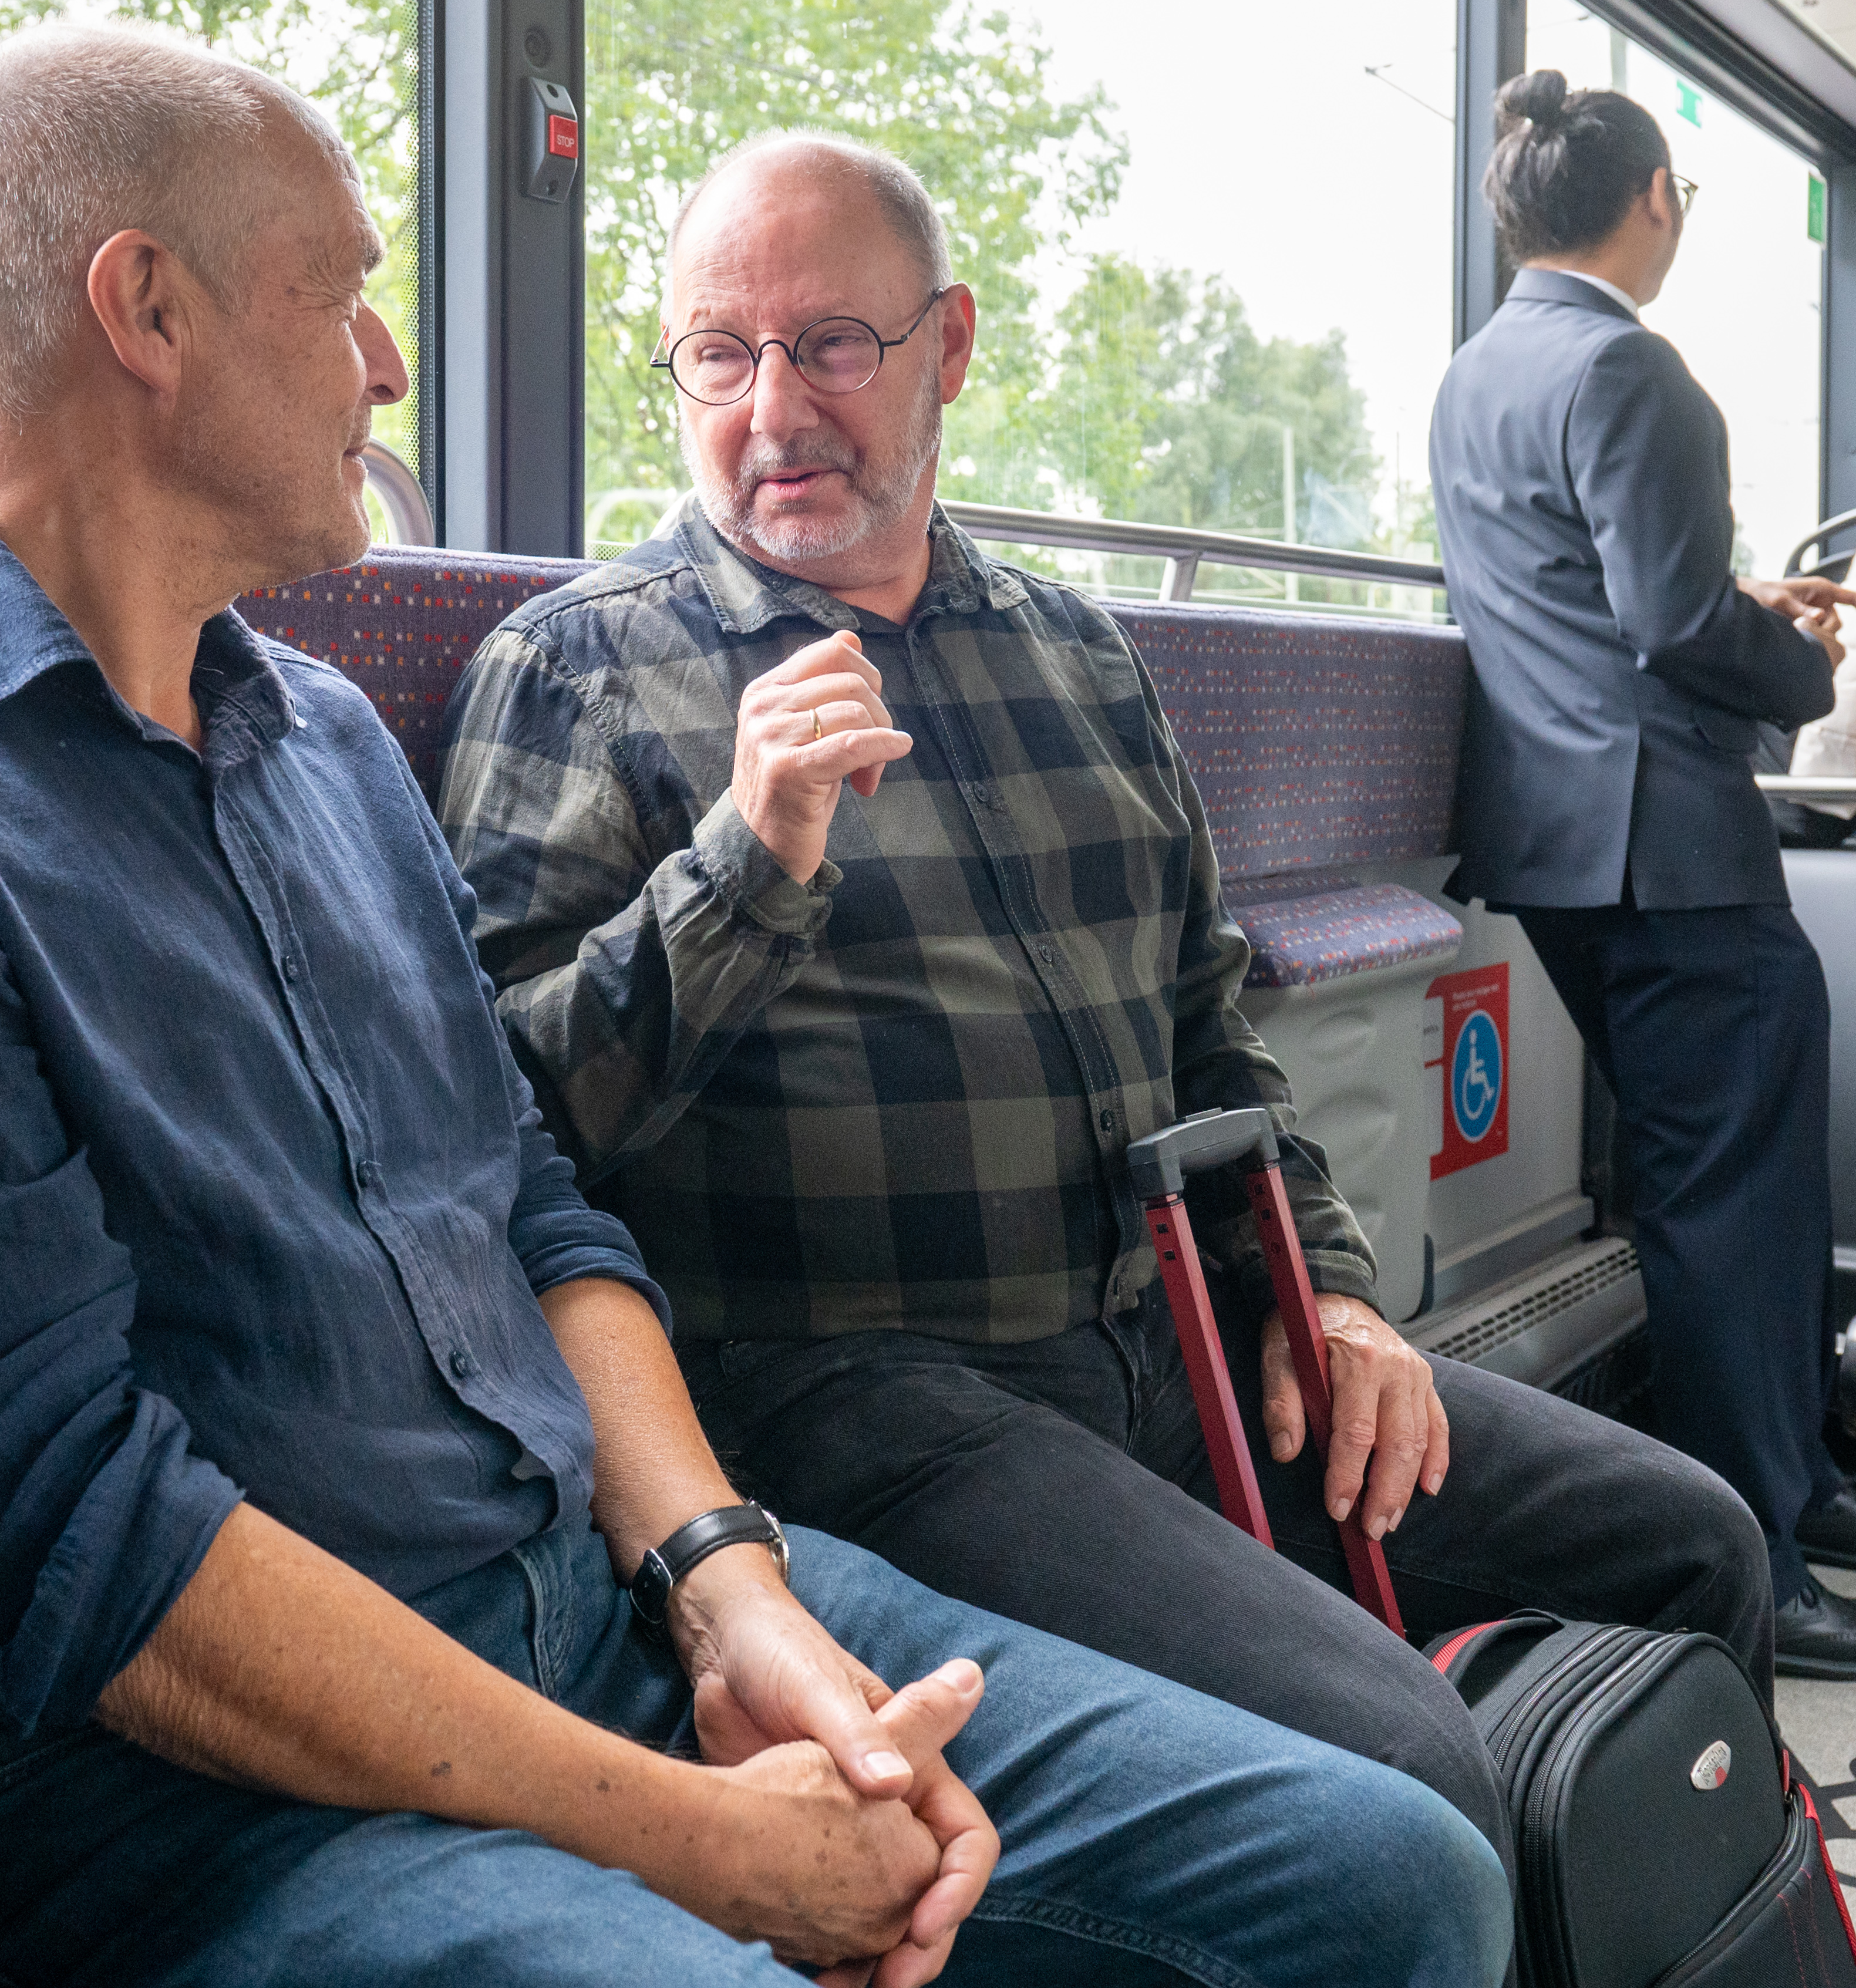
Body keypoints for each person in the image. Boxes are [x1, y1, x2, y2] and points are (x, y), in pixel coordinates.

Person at [0, 25, 1510, 1988]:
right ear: (145, 310)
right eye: (340, 294)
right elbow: (50, 1537)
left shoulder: (317, 736)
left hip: (588, 1593)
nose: (388, 366)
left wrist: (724, 1590)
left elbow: (527, 1207)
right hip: (153, 1790)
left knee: (1388, 1880)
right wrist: (702, 1840)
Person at [437, 129, 1778, 1866]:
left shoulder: (1079, 657)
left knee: (1698, 1542)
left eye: (832, 345)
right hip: (862, 1395)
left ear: (952, 348)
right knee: (1411, 1759)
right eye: (719, 352)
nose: (772, 409)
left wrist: (1343, 1307)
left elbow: (1211, 1037)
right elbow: (506, 1134)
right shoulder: (577, 666)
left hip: (1169, 1336)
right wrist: (745, 867)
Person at [1424, 69, 1856, 1680]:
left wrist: (1735, 600)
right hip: (1674, 844)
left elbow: (1600, 595)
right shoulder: (1634, 367)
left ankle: (1798, 1487)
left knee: (1726, 1189)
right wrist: (1801, 674)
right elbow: (1668, 631)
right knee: (1736, 1207)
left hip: (1568, 850)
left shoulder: (1476, 375)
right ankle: (1762, 1575)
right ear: (1652, 198)